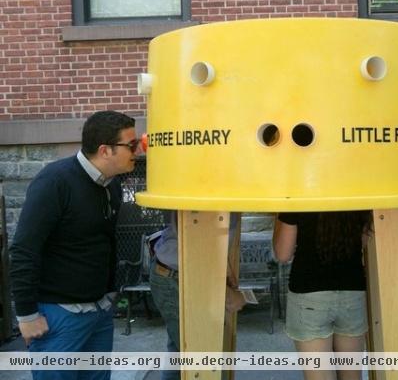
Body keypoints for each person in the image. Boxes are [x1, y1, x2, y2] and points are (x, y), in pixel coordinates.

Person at [9, 110, 139, 380]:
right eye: (132, 145)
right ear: (105, 150)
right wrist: (26, 315)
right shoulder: (55, 182)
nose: (136, 151)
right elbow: (23, 250)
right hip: (60, 318)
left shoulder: (110, 185)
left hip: (100, 312)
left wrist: (110, 293)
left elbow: (104, 241)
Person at [273, 211, 372, 380]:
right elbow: (363, 240)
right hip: (352, 289)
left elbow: (283, 253)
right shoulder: (357, 188)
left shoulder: (296, 194)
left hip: (309, 293)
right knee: (352, 376)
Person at [149, 211, 246, 380]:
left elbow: (214, 240)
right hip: (176, 277)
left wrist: (226, 270)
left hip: (181, 274)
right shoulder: (207, 188)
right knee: (201, 361)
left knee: (180, 353)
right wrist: (227, 294)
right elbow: (196, 245)